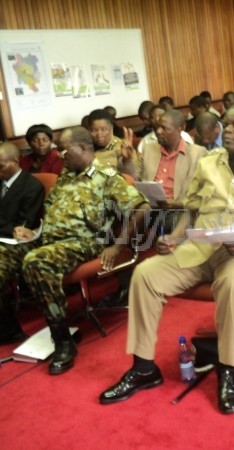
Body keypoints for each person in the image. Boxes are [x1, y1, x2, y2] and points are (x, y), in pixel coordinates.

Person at [99, 104, 234, 414]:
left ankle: (227, 369)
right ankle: (143, 368)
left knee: (233, 281)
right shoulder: (209, 162)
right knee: (145, 274)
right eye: (226, 124)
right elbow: (191, 210)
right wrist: (175, 237)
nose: (227, 130)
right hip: (202, 247)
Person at [0, 127, 149, 373]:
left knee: (37, 261)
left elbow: (142, 208)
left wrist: (118, 245)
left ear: (84, 148)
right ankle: (7, 328)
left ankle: (63, 341)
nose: (60, 155)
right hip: (48, 239)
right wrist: (33, 232)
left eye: (65, 149)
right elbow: (50, 216)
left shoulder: (106, 176)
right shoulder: (67, 175)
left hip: (83, 242)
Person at [0, 142, 45, 344]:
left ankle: (9, 330)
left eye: (1, 166)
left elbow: (23, 227)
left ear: (15, 162)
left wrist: (9, 228)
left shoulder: (32, 186)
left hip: (20, 242)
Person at [139, 110, 206, 231]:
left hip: (177, 209)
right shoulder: (149, 149)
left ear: (181, 128)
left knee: (179, 222)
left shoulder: (197, 154)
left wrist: (176, 203)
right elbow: (135, 178)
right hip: (148, 206)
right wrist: (127, 162)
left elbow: (200, 193)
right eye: (157, 127)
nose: (158, 132)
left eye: (164, 128)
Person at [88, 108, 140, 179]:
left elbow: (134, 178)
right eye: (94, 130)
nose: (99, 134)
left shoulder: (122, 147)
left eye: (104, 129)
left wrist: (127, 160)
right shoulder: (85, 148)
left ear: (111, 129)